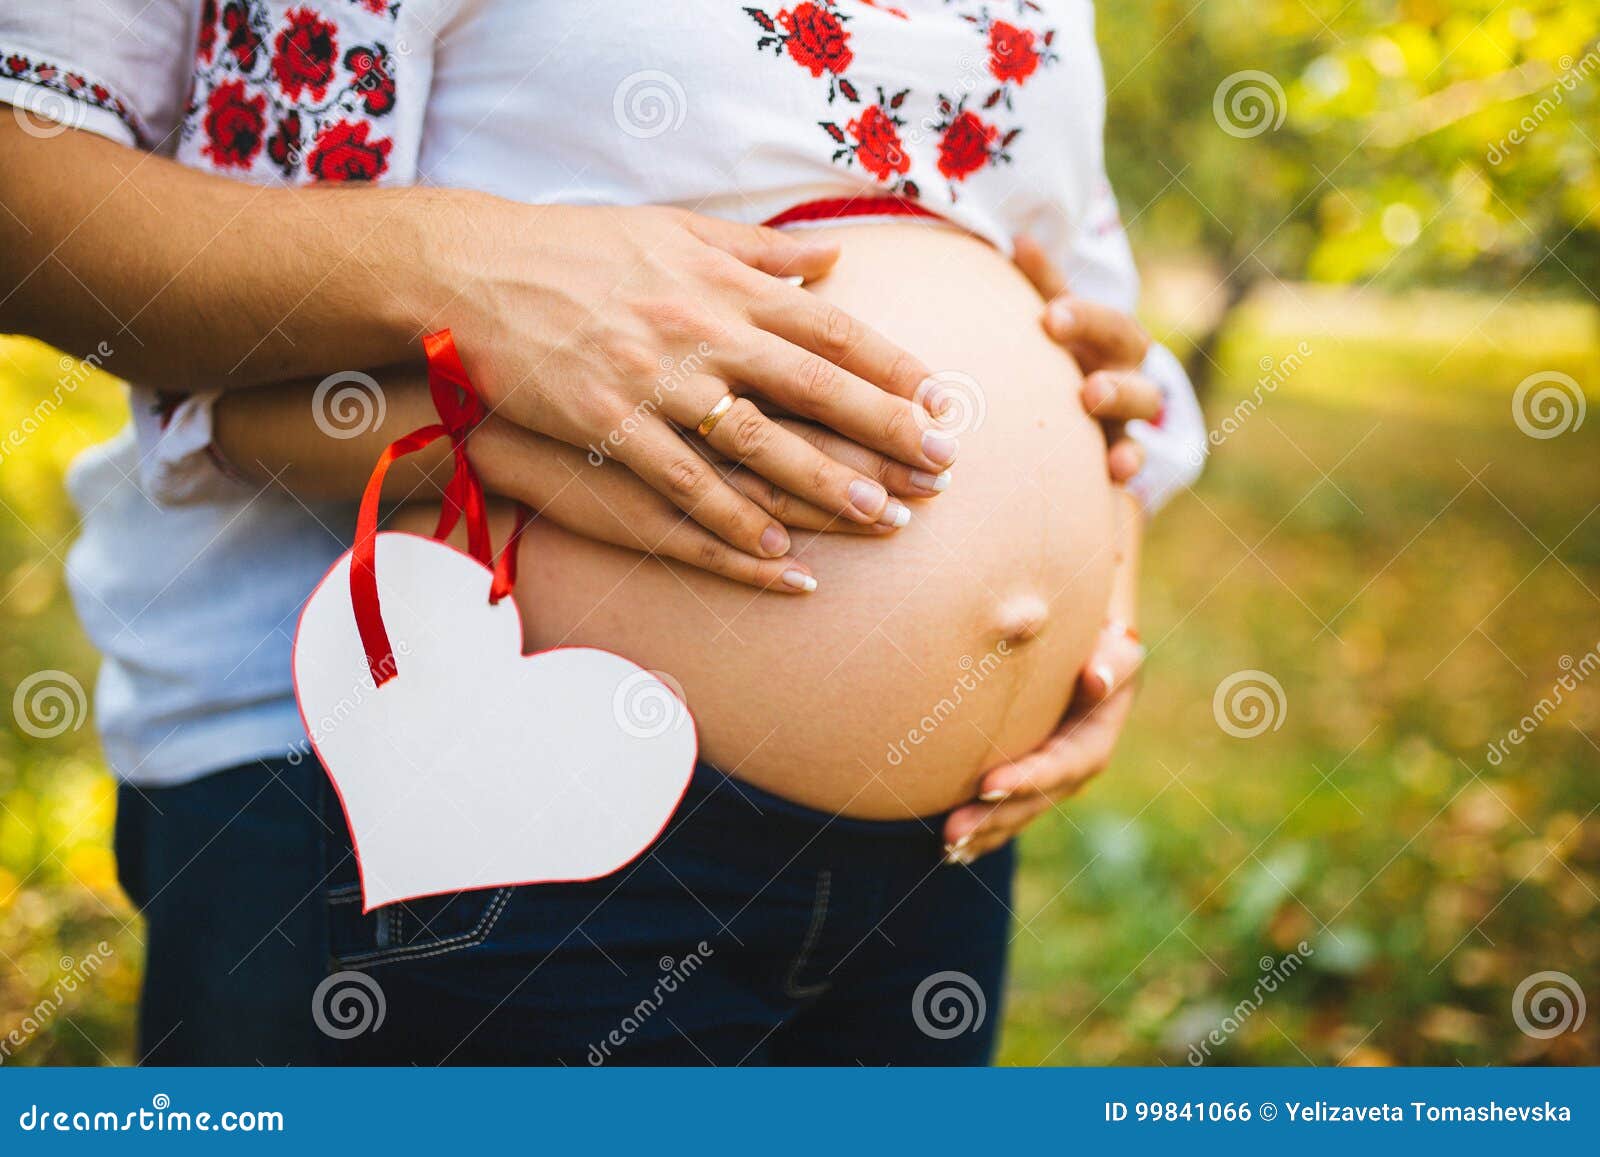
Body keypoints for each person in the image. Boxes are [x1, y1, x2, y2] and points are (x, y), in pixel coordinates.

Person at [0, 0, 1204, 1064]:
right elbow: (204, 370)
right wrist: (476, 297)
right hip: (471, 817)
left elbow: (1091, 308)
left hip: (935, 850)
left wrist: (1101, 581)